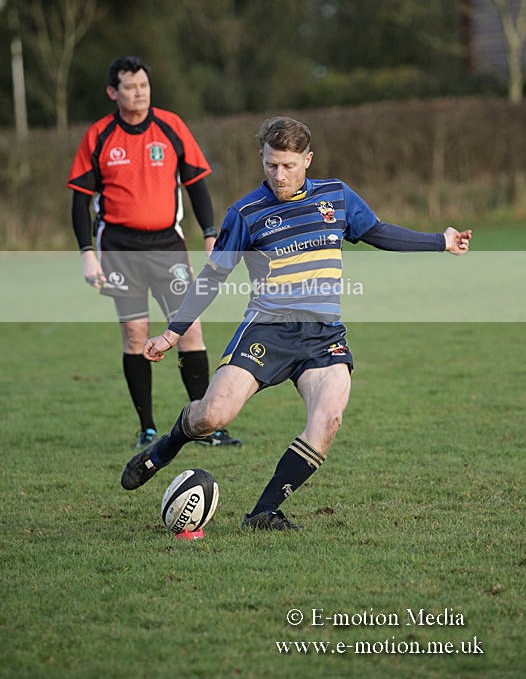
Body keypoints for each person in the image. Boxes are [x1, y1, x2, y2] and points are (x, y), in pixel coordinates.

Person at [121, 116, 471, 529]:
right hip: (267, 331)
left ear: (308, 159)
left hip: (323, 338)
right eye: (271, 165)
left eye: (288, 165)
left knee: (328, 420)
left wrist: (440, 241)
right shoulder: (246, 212)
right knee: (212, 417)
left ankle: (263, 512)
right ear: (262, 159)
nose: (278, 175)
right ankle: (167, 447)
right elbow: (213, 277)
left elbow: (377, 232)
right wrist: (172, 332)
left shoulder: (336, 197)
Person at [67, 55, 242, 448]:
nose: (139, 93)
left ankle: (203, 423)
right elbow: (79, 201)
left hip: (168, 245)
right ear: (113, 92)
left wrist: (210, 235)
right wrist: (86, 254)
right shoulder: (98, 136)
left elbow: (197, 184)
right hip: (119, 247)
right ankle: (147, 427)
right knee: (135, 335)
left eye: (144, 86)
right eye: (130, 87)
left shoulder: (171, 126)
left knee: (189, 328)